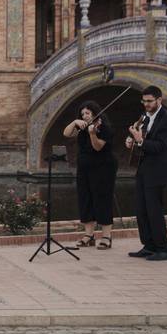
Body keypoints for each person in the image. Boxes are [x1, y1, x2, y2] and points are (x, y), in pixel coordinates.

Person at [126, 85, 167, 261]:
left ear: (159, 100)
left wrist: (140, 140)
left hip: (158, 172)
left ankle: (164, 249)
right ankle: (149, 245)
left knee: (154, 211)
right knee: (141, 210)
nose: (146, 104)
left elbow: (160, 146)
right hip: (143, 169)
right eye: (144, 101)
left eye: (149, 101)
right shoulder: (145, 118)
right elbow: (141, 140)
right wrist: (132, 141)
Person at [63, 100, 117, 250]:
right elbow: (67, 133)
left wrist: (93, 133)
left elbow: (98, 147)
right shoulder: (81, 127)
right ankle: (89, 235)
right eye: (82, 113)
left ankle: (106, 236)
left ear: (94, 113)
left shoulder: (104, 128)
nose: (85, 116)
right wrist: (75, 122)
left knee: (102, 198)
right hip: (84, 167)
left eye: (87, 113)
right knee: (85, 198)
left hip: (103, 167)